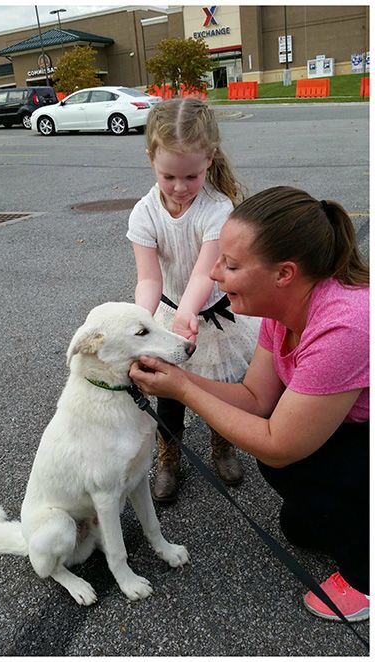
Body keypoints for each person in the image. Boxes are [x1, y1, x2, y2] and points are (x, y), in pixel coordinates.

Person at [130, 185, 369, 622]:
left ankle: (364, 578)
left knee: (286, 462)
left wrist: (184, 392)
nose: (214, 274)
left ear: (284, 274)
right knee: (297, 526)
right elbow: (255, 400)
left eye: (231, 264)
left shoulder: (344, 328)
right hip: (351, 433)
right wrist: (180, 378)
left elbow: (279, 443)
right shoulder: (285, 311)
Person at [126, 97, 260, 502]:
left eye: (192, 176)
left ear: (209, 161)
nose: (180, 188)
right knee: (169, 391)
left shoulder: (217, 209)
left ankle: (223, 445)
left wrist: (191, 311)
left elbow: (206, 270)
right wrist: (140, 323)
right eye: (169, 176)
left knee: (221, 385)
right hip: (169, 312)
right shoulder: (144, 213)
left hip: (215, 314)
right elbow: (148, 279)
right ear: (150, 158)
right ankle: (169, 457)